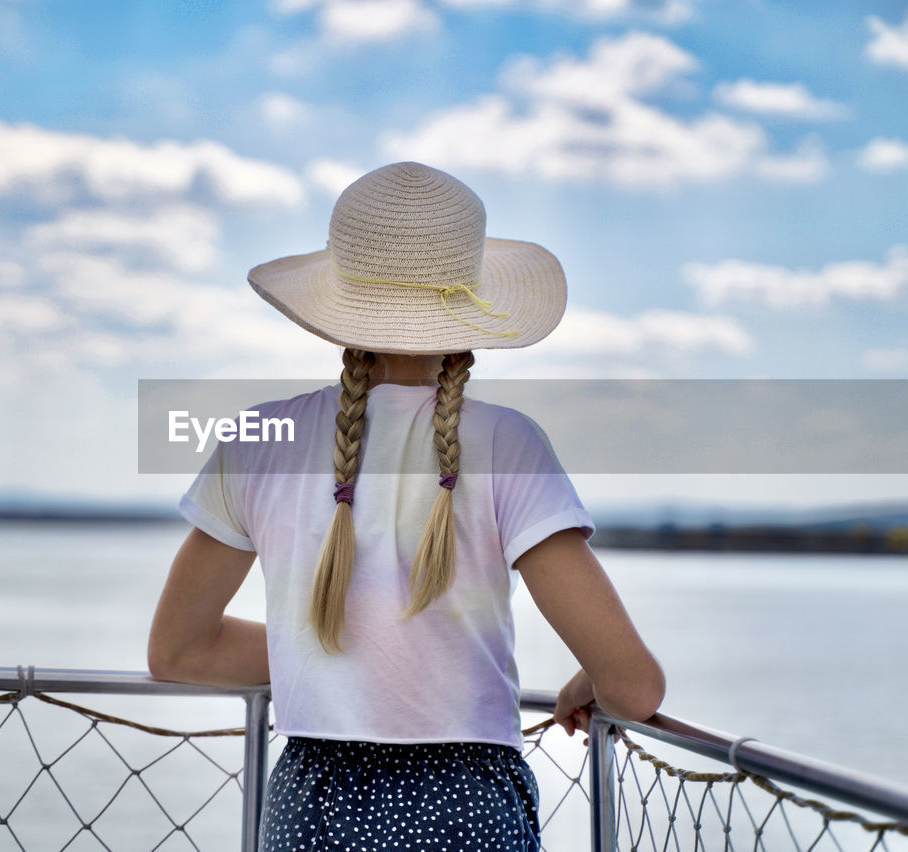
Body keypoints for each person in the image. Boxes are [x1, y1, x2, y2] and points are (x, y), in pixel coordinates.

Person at [147, 161, 665, 850]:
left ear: (339, 303)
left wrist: (332, 654)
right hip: (465, 809)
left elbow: (180, 650)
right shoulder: (506, 443)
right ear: (470, 307)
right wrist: (592, 678)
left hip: (313, 810)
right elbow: (634, 689)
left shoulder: (258, 440)